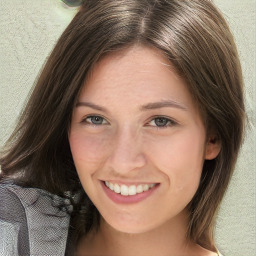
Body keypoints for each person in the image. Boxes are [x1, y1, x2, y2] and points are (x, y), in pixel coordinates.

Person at [0, 0, 245, 255]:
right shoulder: (12, 233)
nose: (123, 163)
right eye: (96, 119)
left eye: (160, 121)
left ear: (213, 137)